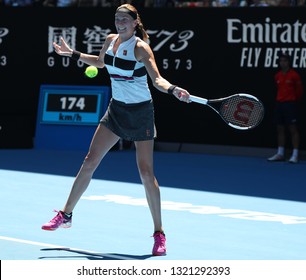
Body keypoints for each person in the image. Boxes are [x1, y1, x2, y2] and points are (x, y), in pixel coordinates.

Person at [41, 3, 190, 256]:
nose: (119, 23)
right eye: (116, 18)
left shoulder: (141, 48)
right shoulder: (110, 40)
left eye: (124, 19)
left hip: (141, 112)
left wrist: (174, 89)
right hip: (116, 110)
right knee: (90, 161)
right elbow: (99, 63)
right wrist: (72, 54)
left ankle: (159, 233)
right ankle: (66, 215)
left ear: (134, 23)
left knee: (145, 173)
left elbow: (157, 80)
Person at [267, 52, 303, 163]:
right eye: (281, 61)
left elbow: (299, 92)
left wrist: (292, 101)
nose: (283, 63)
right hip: (279, 104)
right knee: (280, 129)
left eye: (285, 61)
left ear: (289, 62)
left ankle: (295, 155)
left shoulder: (294, 75)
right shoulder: (277, 75)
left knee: (293, 129)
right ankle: (280, 153)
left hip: (290, 105)